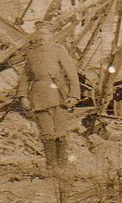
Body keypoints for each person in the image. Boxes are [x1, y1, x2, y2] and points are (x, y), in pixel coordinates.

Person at [18, 19, 82, 172]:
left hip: (59, 96)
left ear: (51, 35)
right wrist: (23, 97)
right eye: (39, 33)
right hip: (39, 97)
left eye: (45, 33)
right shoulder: (31, 53)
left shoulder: (58, 50)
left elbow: (71, 74)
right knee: (47, 134)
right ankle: (51, 167)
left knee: (60, 133)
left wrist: (74, 95)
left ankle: (62, 167)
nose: (41, 36)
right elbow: (24, 78)